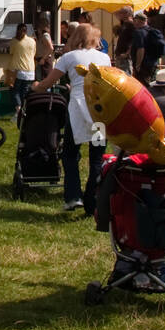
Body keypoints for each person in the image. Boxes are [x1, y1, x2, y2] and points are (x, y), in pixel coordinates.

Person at [32, 22, 111, 213]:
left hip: (77, 106)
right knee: (97, 156)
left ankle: (73, 195)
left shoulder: (69, 57)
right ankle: (93, 199)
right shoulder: (104, 58)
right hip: (99, 108)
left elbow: (50, 81)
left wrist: (37, 86)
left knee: (69, 153)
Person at [7, 23, 36, 116]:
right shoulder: (32, 41)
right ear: (26, 31)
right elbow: (34, 53)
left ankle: (19, 110)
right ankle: (24, 111)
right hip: (31, 71)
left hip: (19, 70)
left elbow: (11, 52)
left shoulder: (14, 41)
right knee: (24, 93)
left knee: (14, 91)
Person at [112, 6, 135, 73]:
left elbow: (134, 41)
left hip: (125, 57)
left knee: (126, 76)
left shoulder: (131, 25)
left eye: (120, 13)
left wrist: (127, 54)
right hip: (120, 55)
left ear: (126, 13)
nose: (118, 15)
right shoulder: (124, 24)